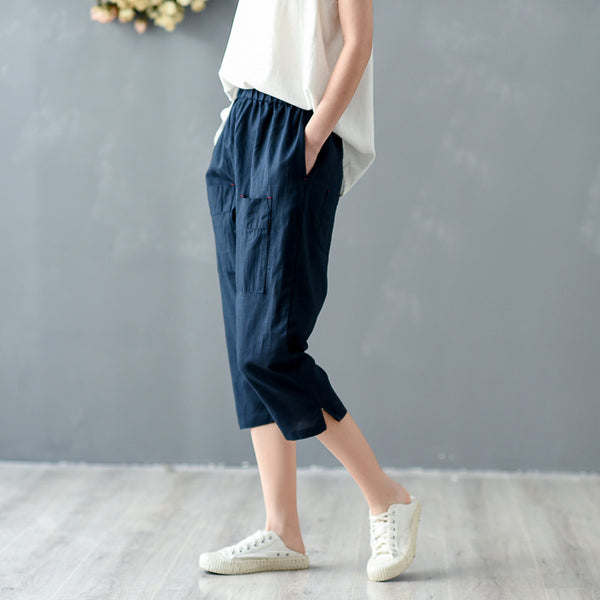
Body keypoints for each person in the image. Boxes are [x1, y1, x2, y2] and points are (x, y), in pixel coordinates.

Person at [199, 0, 421, 582]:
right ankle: (282, 531)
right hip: (242, 127)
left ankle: (386, 497)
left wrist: (312, 136)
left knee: (268, 350)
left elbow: (358, 41)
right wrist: (231, 131)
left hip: (293, 131)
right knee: (246, 346)